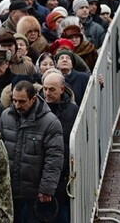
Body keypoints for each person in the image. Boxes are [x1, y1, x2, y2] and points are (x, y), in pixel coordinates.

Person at [0, 80, 64, 222]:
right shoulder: (5, 116)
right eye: (14, 101)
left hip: (33, 193)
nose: (17, 105)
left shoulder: (50, 122)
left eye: (21, 101)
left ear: (33, 99)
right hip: (9, 191)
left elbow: (54, 158)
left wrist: (46, 189)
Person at [41, 71, 79, 223]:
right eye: (45, 89)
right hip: (42, 172)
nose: (47, 93)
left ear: (62, 89)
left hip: (64, 173)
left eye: (52, 89)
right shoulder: (37, 109)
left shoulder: (73, 110)